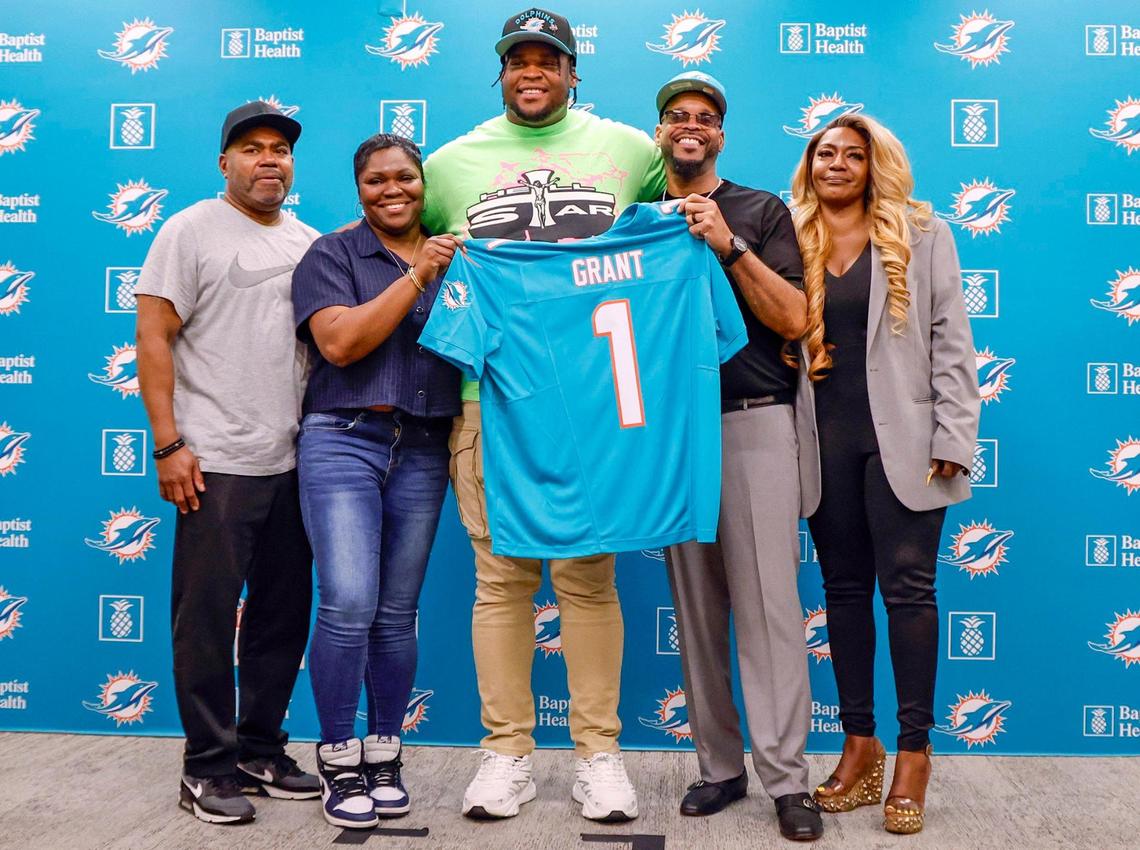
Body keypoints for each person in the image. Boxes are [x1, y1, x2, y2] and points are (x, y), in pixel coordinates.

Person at [420, 6, 665, 823]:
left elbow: (670, 235)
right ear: (501, 73)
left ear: (572, 73)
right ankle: (506, 754)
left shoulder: (631, 151)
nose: (532, 72)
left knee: (590, 580)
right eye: (517, 60)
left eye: (547, 60)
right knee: (501, 581)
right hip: (488, 402)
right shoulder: (449, 165)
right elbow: (408, 250)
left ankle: (599, 754)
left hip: (594, 405)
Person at [791, 114, 980, 834]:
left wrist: (955, 434)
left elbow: (952, 339)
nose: (837, 164)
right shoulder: (791, 235)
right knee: (842, 593)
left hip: (908, 441)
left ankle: (913, 754)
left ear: (876, 166)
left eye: (853, 154)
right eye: (825, 153)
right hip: (824, 440)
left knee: (909, 591)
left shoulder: (923, 233)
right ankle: (859, 744)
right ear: (810, 164)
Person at [135, 101, 320, 825]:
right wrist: (169, 444)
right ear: (225, 163)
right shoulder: (188, 230)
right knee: (206, 621)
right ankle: (206, 767)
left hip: (293, 460)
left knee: (281, 617)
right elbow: (154, 336)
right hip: (214, 460)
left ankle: (259, 749)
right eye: (252, 148)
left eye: (280, 149)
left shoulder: (308, 241)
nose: (268, 160)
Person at [654, 71, 823, 843]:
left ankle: (788, 779)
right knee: (696, 611)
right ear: (659, 133)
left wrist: (728, 245)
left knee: (771, 610)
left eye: (704, 117)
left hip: (754, 419)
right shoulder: (636, 220)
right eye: (676, 115)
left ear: (720, 134)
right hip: (672, 434)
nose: (690, 126)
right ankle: (719, 768)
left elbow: (794, 317)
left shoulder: (759, 210)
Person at [290, 134, 463, 829]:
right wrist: (418, 275)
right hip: (343, 437)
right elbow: (340, 343)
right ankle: (338, 755)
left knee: (396, 612)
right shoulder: (332, 253)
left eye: (405, 178)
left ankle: (385, 753)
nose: (392, 190)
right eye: (375, 181)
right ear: (358, 189)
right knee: (349, 602)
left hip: (424, 445)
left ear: (424, 184)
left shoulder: (458, 256)